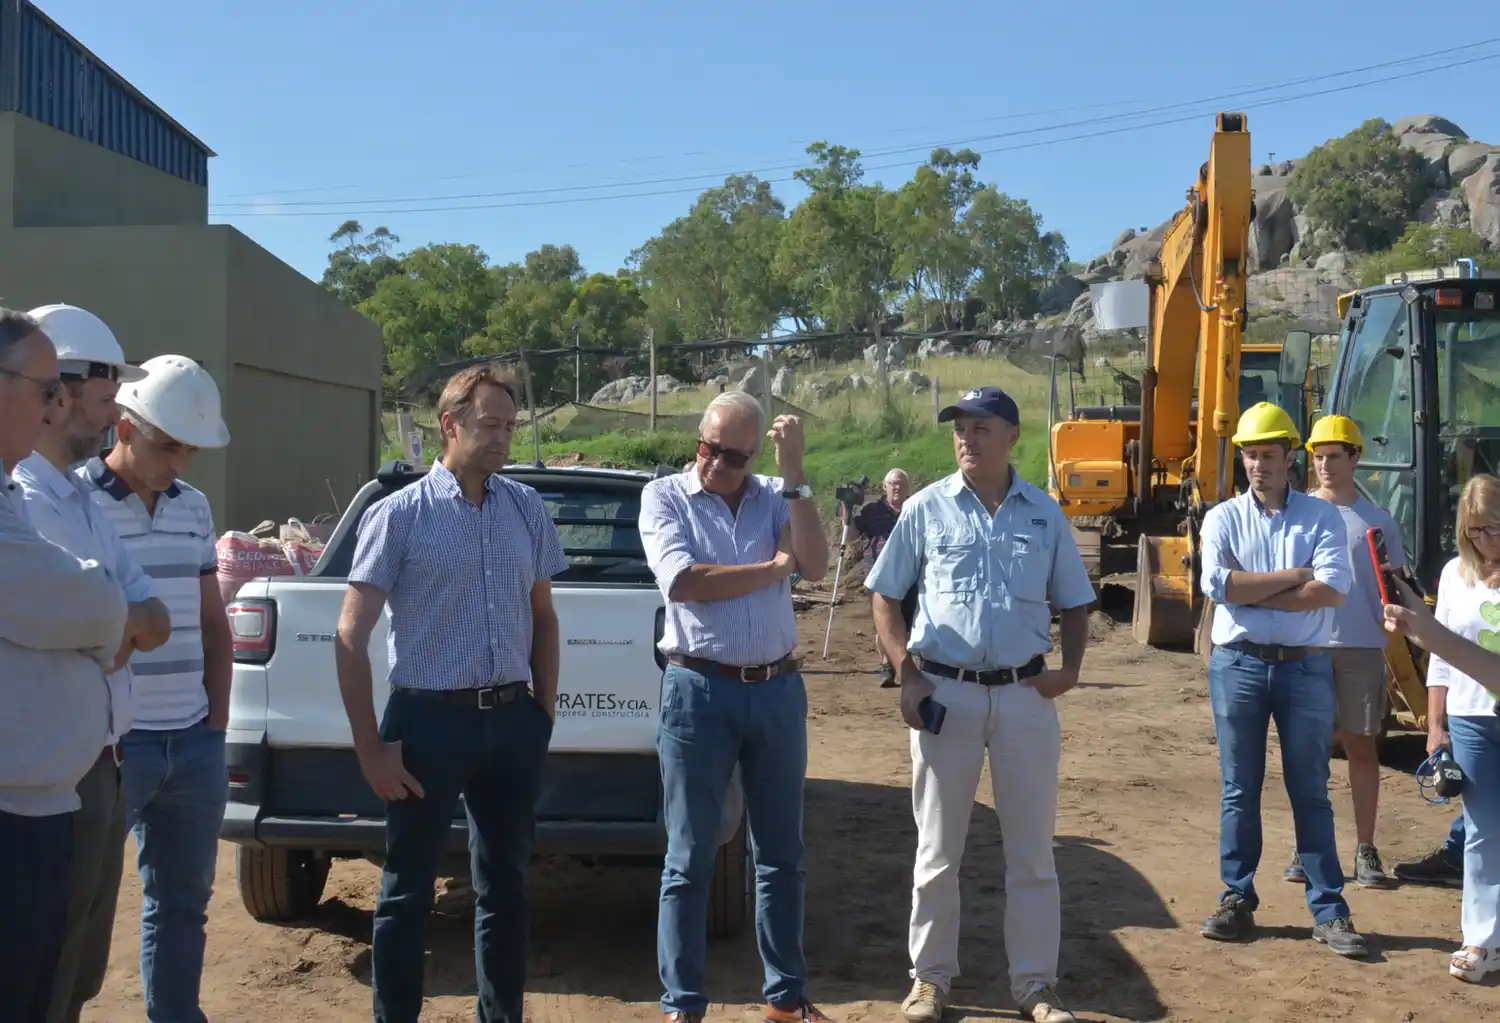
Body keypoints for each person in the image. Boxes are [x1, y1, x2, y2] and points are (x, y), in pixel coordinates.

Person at [335, 366, 567, 1023]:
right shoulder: (398, 515)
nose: (502, 438)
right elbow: (350, 634)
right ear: (450, 424)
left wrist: (540, 714)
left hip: (511, 720)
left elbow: (544, 616)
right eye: (490, 424)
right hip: (427, 723)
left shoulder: (525, 506)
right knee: (407, 892)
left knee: (507, 888)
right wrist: (370, 749)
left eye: (510, 426)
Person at [865, 386, 1094, 1023]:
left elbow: (1075, 602)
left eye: (981, 427)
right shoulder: (924, 508)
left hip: (1025, 698)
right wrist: (906, 674)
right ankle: (930, 981)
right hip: (947, 696)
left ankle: (1036, 988)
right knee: (938, 851)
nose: (967, 439)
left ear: (1012, 436)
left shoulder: (1045, 514)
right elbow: (885, 595)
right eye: (960, 428)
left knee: (1032, 854)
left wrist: (1069, 672)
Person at [638, 389, 831, 1023]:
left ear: (754, 456)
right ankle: (684, 1007)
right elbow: (686, 583)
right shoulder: (664, 495)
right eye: (709, 449)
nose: (717, 464)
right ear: (698, 439)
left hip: (776, 690)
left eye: (735, 456)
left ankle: (785, 998)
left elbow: (818, 563)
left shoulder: (778, 493)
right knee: (689, 857)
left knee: (781, 856)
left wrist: (797, 473)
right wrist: (773, 570)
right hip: (699, 690)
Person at [12, 305, 173, 1023]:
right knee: (38, 971)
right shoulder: (26, 500)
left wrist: (113, 618)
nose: (113, 423)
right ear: (58, 397)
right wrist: (114, 617)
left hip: (96, 760)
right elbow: (98, 619)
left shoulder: (75, 496)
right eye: (104, 402)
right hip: (43, 781)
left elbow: (146, 616)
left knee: (71, 968)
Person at [78, 353, 234, 1023]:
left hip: (192, 743)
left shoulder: (193, 508)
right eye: (169, 444)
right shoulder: (72, 501)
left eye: (191, 447)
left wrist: (216, 724)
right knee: (77, 905)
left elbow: (211, 621)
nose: (182, 461)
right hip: (113, 746)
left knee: (182, 902)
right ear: (124, 424)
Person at [1196, 402, 1369, 957]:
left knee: (1310, 789)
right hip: (1239, 664)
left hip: (1304, 665)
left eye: (1267, 455)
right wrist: (1295, 577)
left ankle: (1330, 909)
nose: (1257, 465)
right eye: (1250, 455)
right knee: (1239, 789)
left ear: (1289, 456)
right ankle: (1237, 898)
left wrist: (1254, 589)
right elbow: (1217, 585)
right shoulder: (1222, 517)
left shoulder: (1321, 519)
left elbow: (1333, 589)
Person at [0, 308, 128, 1022]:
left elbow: (108, 610)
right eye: (44, 389)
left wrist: (99, 612)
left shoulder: (18, 493)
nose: (53, 407)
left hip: (37, 803)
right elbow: (98, 611)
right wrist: (103, 613)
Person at [1280, 415, 1401, 889]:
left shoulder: (1379, 522)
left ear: (1356, 458)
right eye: (1318, 456)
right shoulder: (1299, 513)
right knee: (1306, 753)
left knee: (1360, 746)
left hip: (1359, 648)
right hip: (1305, 646)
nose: (1325, 464)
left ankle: (1365, 849)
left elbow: (1391, 587)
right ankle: (1306, 847)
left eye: (1334, 455)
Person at [1403, 474, 1500, 982]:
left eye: (1494, 529)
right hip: (1472, 718)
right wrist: (1435, 726)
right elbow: (1440, 657)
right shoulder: (1452, 575)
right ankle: (1480, 940)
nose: (1485, 542)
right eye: (1475, 531)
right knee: (1483, 831)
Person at [847, 468, 914, 687]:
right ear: (884, 487)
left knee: (906, 621)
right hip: (877, 572)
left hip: (910, 573)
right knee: (883, 621)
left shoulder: (916, 508)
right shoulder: (872, 510)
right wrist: (846, 507)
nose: (896, 487)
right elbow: (850, 536)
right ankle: (886, 665)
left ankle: (904, 664)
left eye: (900, 483)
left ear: (907, 488)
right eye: (892, 483)